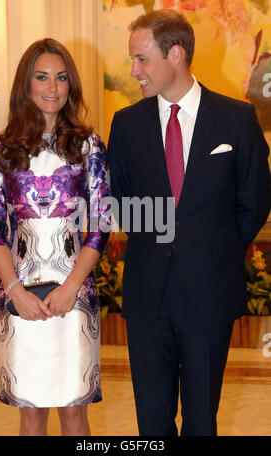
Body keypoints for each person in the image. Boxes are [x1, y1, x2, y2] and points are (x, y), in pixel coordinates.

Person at [108, 9, 271, 436]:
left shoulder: (237, 119)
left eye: (142, 59)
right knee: (152, 425)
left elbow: (254, 200)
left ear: (175, 54)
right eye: (132, 60)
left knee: (202, 420)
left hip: (209, 294)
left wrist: (214, 250)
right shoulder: (126, 125)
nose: (134, 70)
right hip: (147, 298)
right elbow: (122, 201)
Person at [0, 38, 110, 436]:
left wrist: (72, 287)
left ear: (71, 86)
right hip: (19, 295)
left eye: (61, 78)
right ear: (26, 84)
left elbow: (100, 225)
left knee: (74, 412)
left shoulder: (89, 147)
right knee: (31, 412)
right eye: (42, 78)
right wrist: (16, 291)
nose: (52, 88)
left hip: (75, 295)